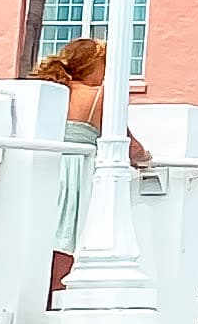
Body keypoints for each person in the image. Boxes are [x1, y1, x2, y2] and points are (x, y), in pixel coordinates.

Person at [31, 38, 143, 299]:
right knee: (66, 234)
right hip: (75, 170)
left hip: (46, 164)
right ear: (94, 65)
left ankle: (35, 294)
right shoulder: (101, 96)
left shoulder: (53, 89)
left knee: (42, 230)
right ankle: (55, 295)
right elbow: (126, 142)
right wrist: (145, 156)